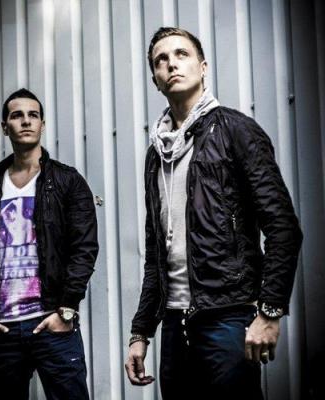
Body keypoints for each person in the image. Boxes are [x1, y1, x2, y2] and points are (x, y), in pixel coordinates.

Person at [125, 27, 303, 399]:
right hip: (174, 322)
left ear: (203, 67)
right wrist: (141, 332)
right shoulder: (156, 155)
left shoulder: (237, 131)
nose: (171, 63)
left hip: (228, 316)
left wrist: (269, 311)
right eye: (161, 60)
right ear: (155, 79)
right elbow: (156, 252)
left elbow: (283, 226)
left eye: (182, 54)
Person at [0, 88, 98, 400]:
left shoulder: (68, 181)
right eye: (17, 115)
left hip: (52, 324)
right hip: (4, 329)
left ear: (42, 124)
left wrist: (67, 309)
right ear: (5, 127)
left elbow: (84, 248)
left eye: (33, 115)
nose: (26, 121)